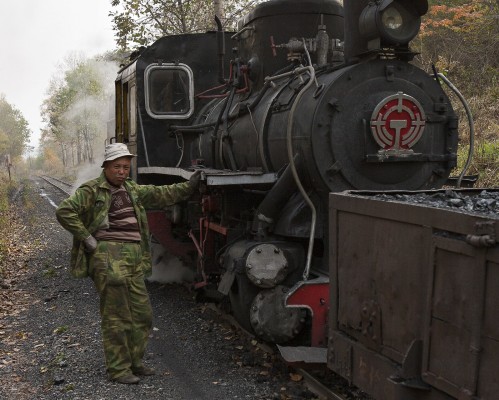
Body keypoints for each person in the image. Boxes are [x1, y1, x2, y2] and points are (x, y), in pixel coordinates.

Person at [56, 143, 201, 384]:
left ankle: (135, 362)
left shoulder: (131, 189)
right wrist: (88, 239)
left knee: (142, 314)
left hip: (134, 256)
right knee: (116, 315)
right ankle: (118, 369)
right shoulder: (92, 190)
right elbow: (64, 211)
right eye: (117, 167)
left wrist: (189, 186)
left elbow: (161, 194)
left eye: (125, 167)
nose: (122, 171)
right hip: (109, 255)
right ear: (106, 167)